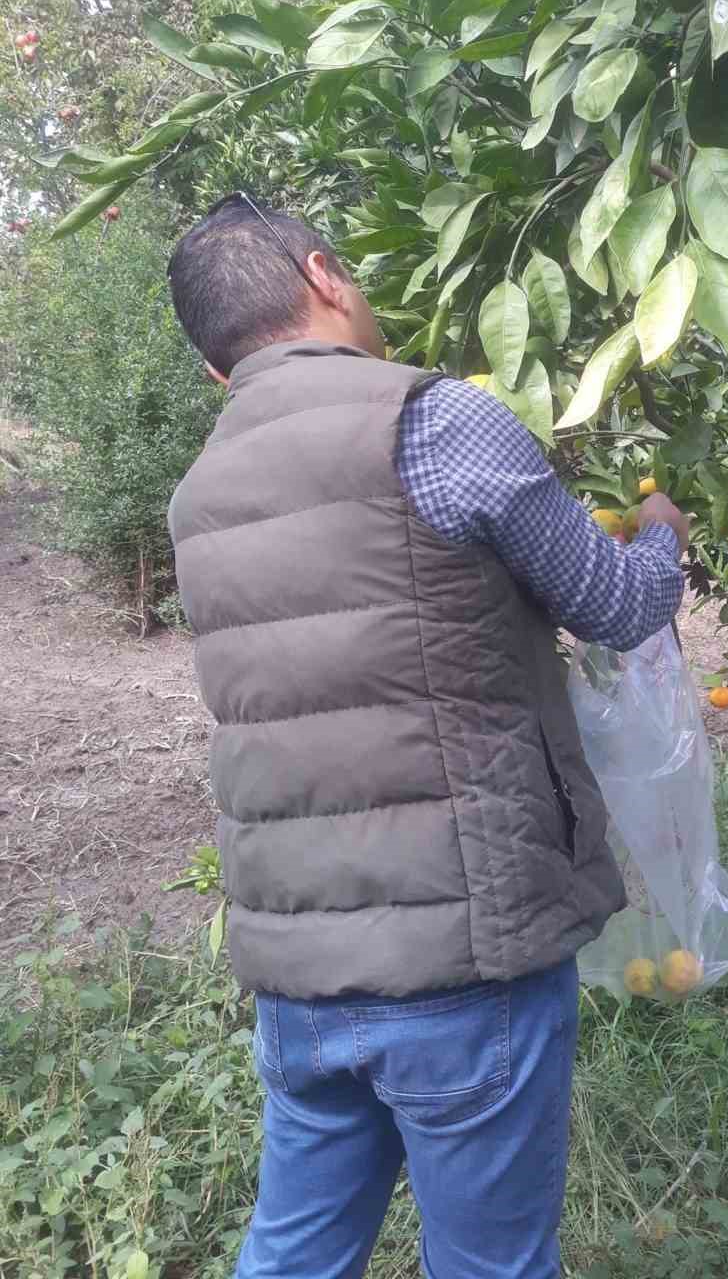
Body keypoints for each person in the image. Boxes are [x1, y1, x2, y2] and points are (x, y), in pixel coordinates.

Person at [165, 194, 688, 1279]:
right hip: (460, 962)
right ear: (324, 275)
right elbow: (615, 604)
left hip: (298, 970)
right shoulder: (436, 421)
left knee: (295, 1255)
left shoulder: (198, 495)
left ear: (220, 372)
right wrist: (665, 539)